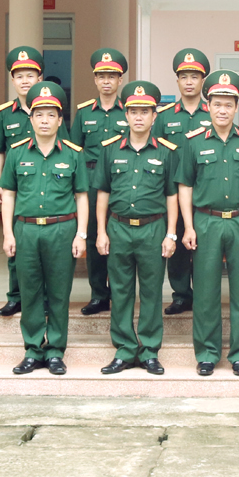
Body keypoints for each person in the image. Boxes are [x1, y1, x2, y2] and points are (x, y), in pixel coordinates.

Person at [175, 69, 239, 376]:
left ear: (236, 106)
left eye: (228, 104)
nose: (223, 109)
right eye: (217, 103)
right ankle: (207, 353)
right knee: (205, 291)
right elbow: (184, 187)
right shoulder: (193, 142)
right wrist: (188, 226)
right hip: (206, 222)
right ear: (208, 105)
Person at [0, 81, 89, 376]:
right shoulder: (16, 153)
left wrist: (81, 234)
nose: (45, 120)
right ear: (31, 119)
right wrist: (8, 233)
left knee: (60, 292)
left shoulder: (73, 154)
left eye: (51, 115)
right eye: (39, 115)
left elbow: (81, 197)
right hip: (25, 231)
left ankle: (55, 352)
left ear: (60, 120)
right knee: (30, 290)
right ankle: (33, 349)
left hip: (62, 231)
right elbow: (9, 195)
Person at [93, 80, 178, 375]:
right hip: (118, 229)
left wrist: (171, 233)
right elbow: (102, 192)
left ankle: (150, 350)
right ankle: (125, 349)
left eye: (145, 111)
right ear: (125, 115)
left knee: (153, 291)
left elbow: (172, 195)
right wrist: (101, 231)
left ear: (155, 116)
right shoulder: (110, 150)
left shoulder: (167, 152)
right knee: (120, 290)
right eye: (134, 111)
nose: (139, 116)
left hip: (153, 229)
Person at [153, 48, 214, 317]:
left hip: (205, 189)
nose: (189, 82)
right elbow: (154, 150)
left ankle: (203, 293)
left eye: (194, 77)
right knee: (175, 239)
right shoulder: (165, 116)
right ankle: (181, 295)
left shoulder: (212, 113)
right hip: (171, 190)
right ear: (177, 81)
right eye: (184, 77)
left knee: (202, 245)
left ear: (203, 81)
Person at [70, 47, 129, 316]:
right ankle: (98, 294)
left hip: (122, 181)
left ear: (120, 81)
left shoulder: (129, 112)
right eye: (101, 76)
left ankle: (120, 292)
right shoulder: (84, 113)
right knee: (94, 236)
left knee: (119, 236)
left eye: (112, 76)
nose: (106, 81)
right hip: (92, 182)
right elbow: (74, 151)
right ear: (95, 80)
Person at [0, 45, 43, 317]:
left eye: (30, 75)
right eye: (19, 76)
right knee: (13, 242)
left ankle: (41, 298)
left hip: (43, 187)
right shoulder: (3, 113)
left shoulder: (49, 110)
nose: (24, 81)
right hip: (15, 188)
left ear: (39, 79)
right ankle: (16, 297)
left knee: (42, 245)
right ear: (12, 80)